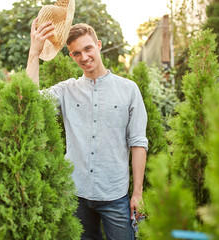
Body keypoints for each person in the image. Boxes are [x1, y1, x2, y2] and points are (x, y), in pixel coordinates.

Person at [26, 18, 148, 240]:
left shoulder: (129, 90)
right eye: (76, 53)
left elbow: (138, 142)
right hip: (76, 195)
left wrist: (137, 193)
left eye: (88, 48)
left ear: (99, 45)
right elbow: (29, 102)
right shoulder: (66, 90)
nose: (84, 57)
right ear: (71, 56)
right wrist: (34, 52)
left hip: (115, 195)